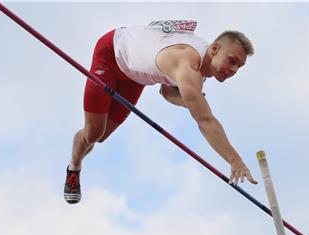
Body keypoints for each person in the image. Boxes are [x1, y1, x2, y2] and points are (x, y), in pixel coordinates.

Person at [64, 20, 258, 204]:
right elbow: (205, 120)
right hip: (111, 54)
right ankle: (74, 167)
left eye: (238, 66)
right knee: (93, 132)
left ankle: (81, 154)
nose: (233, 70)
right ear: (215, 49)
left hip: (135, 77)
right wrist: (235, 160)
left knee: (102, 137)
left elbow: (165, 91)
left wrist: (187, 101)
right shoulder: (187, 67)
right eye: (231, 61)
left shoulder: (202, 62)